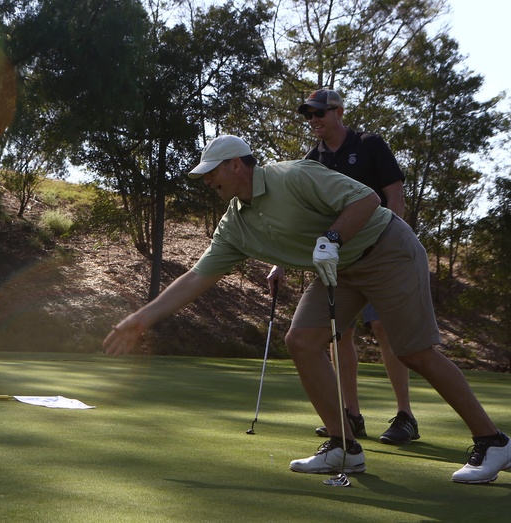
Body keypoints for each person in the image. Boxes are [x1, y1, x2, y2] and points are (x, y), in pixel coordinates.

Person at [103, 134, 511, 484]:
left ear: (235, 166)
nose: (207, 180)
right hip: (341, 268)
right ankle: (344, 445)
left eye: (212, 171)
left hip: (388, 249)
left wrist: (332, 237)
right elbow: (196, 278)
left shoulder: (294, 175)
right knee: (301, 340)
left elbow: (367, 198)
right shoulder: (234, 224)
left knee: (413, 351)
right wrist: (141, 319)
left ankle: (493, 442)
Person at [269, 87, 418, 446]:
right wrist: (280, 264)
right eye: (308, 115)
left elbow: (394, 195)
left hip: (379, 254)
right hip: (339, 259)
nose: (313, 120)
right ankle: (351, 414)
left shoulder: (370, 144)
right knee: (340, 333)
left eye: (319, 113)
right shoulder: (313, 159)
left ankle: (405, 416)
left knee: (384, 328)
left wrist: (389, 242)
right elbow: (298, 216)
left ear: (338, 112)